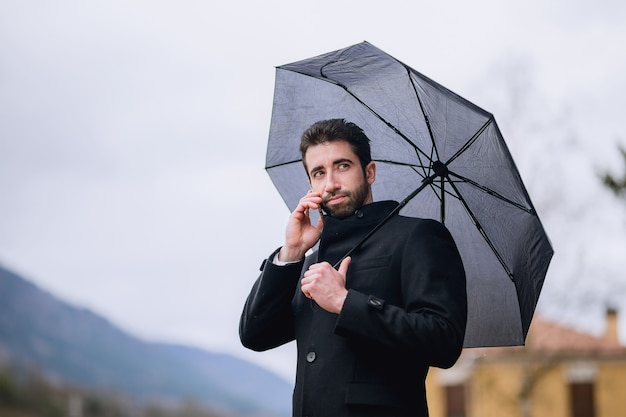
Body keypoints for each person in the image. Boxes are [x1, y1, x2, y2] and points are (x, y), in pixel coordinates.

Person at [239, 119, 467, 417]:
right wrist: (292, 251)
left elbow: (443, 340)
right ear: (311, 185)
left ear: (369, 172)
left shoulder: (417, 237)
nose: (331, 183)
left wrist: (344, 302)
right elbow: (256, 335)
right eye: (318, 173)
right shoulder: (310, 263)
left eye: (342, 166)